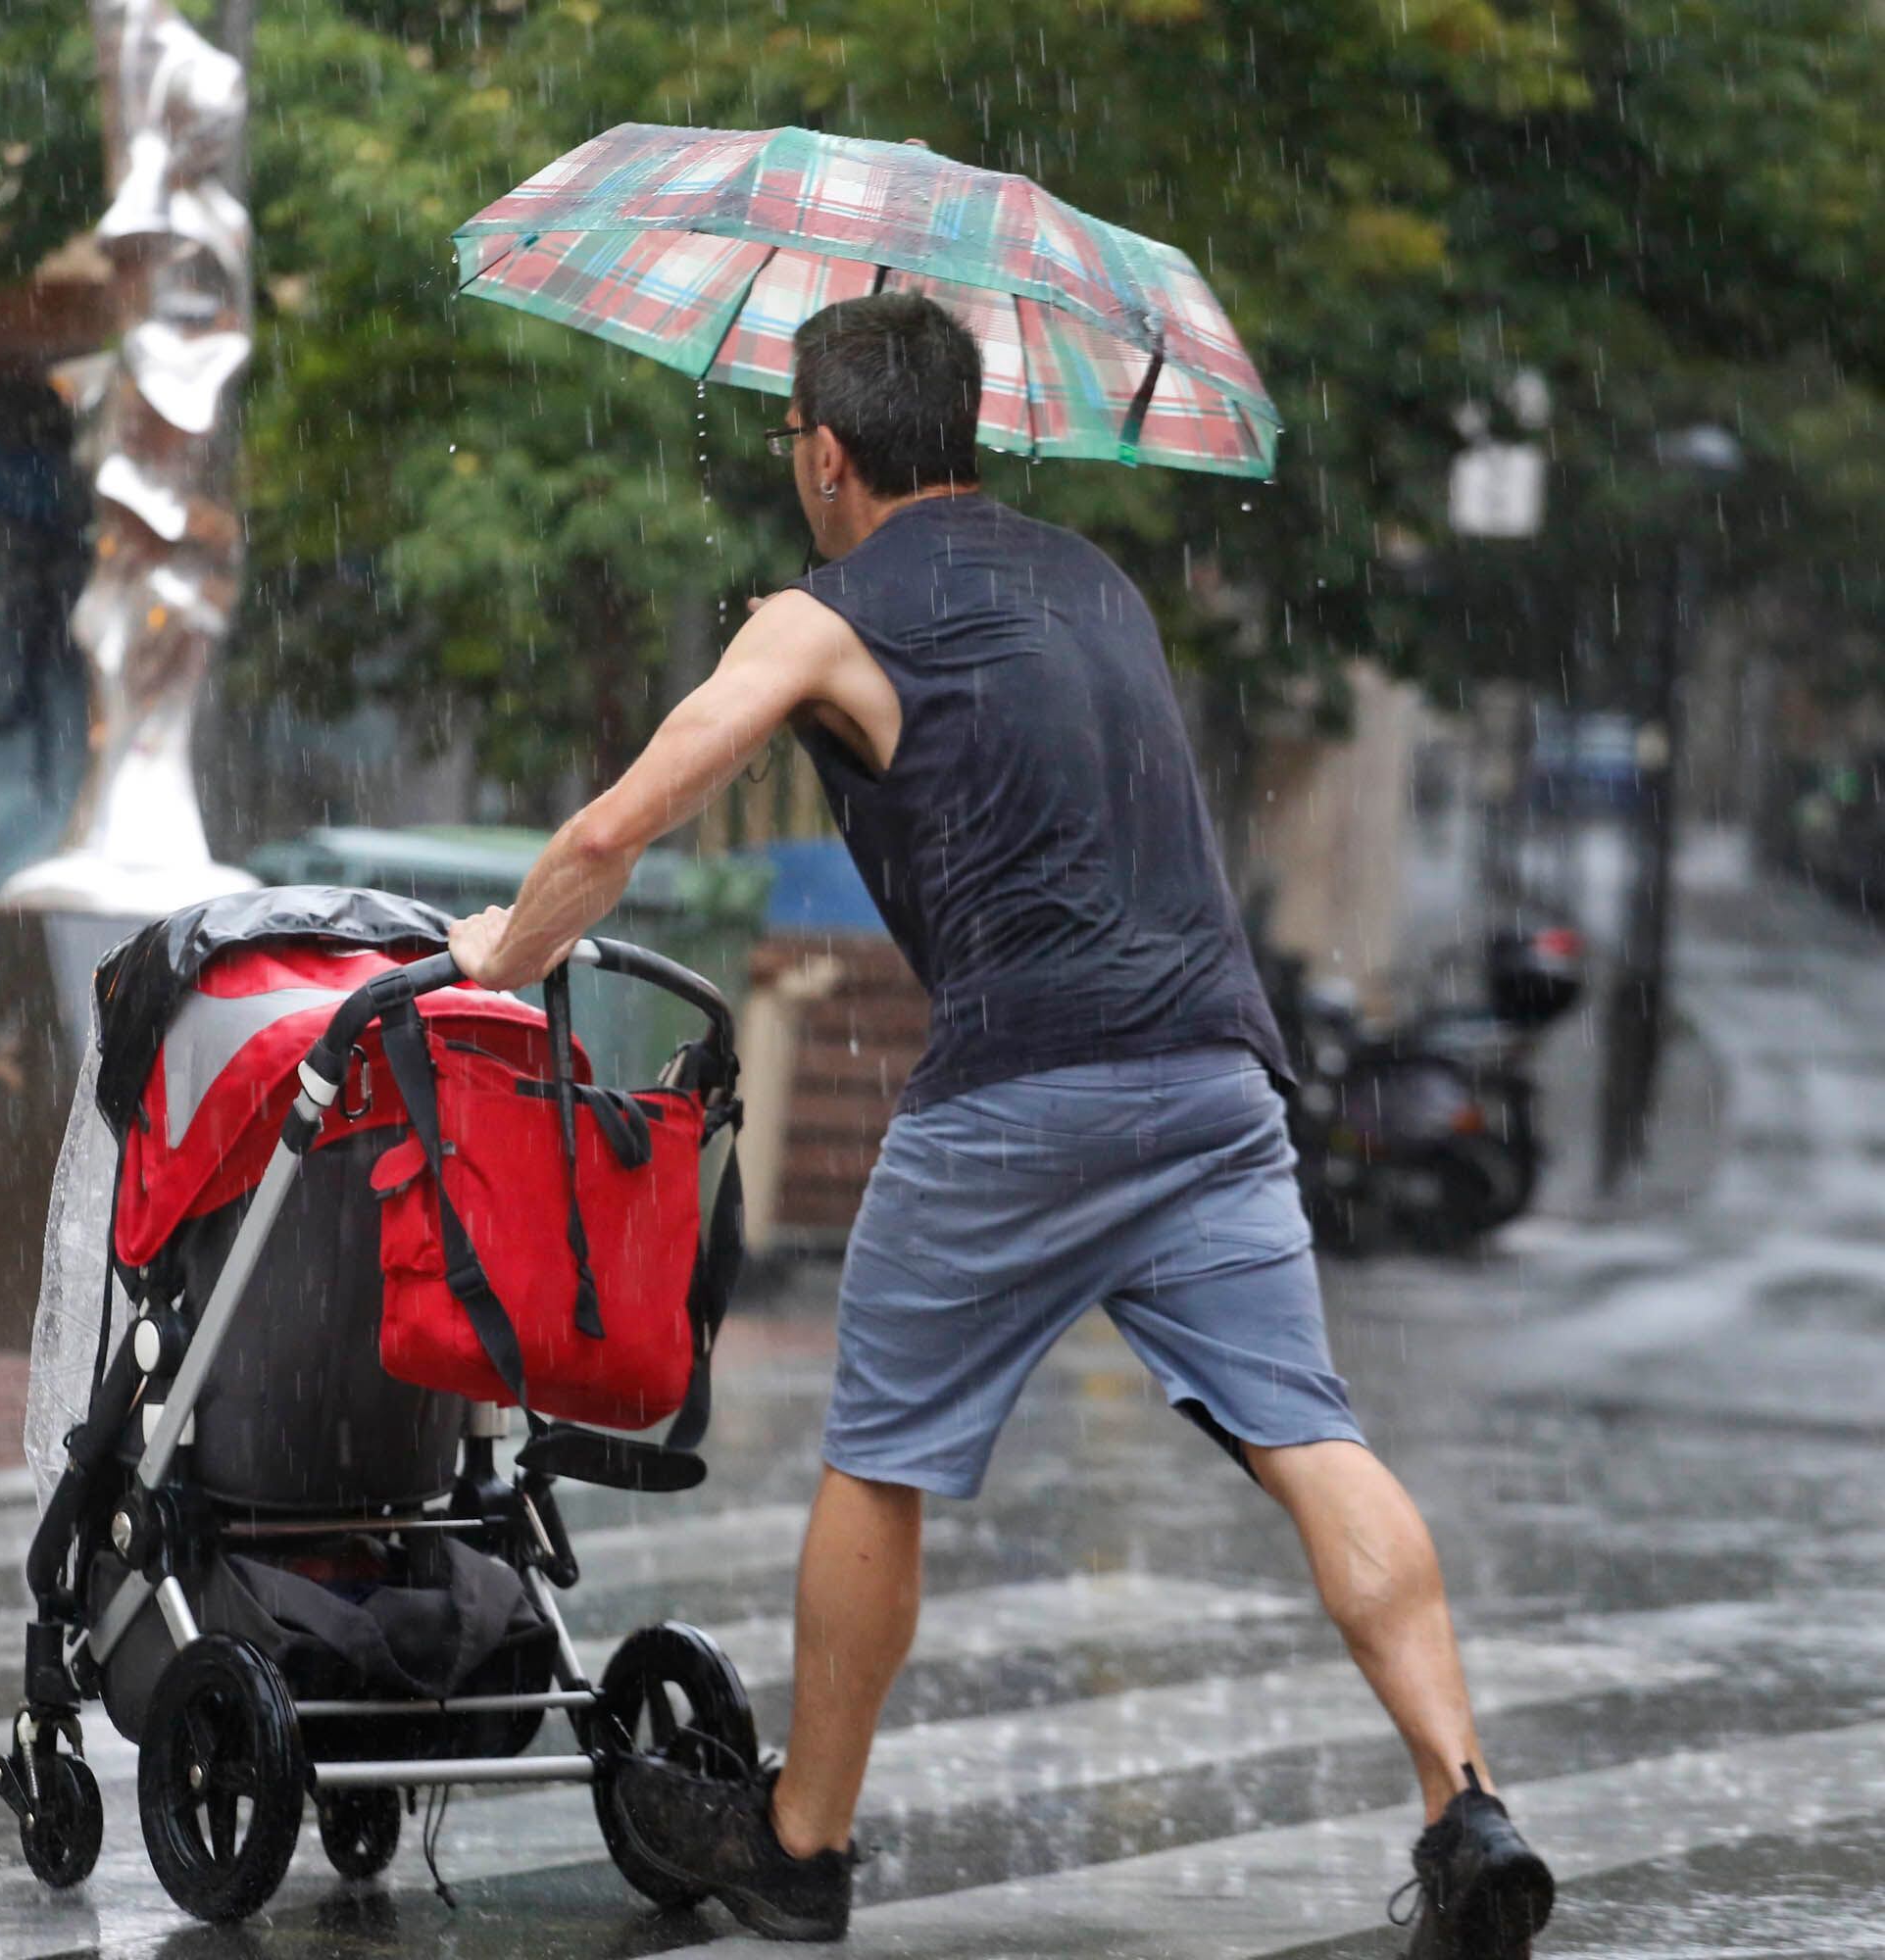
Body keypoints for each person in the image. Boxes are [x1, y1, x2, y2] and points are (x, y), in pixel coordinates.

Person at [445, 293, 1554, 1954]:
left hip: (1023, 1089)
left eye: (789, 440)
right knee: (1313, 1437)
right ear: (969, 433)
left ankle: (802, 1845)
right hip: (1215, 1077)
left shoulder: (824, 618)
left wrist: (491, 957)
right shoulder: (1095, 583)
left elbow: (618, 821)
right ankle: (1465, 1805)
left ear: (826, 452)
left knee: (878, 1456)